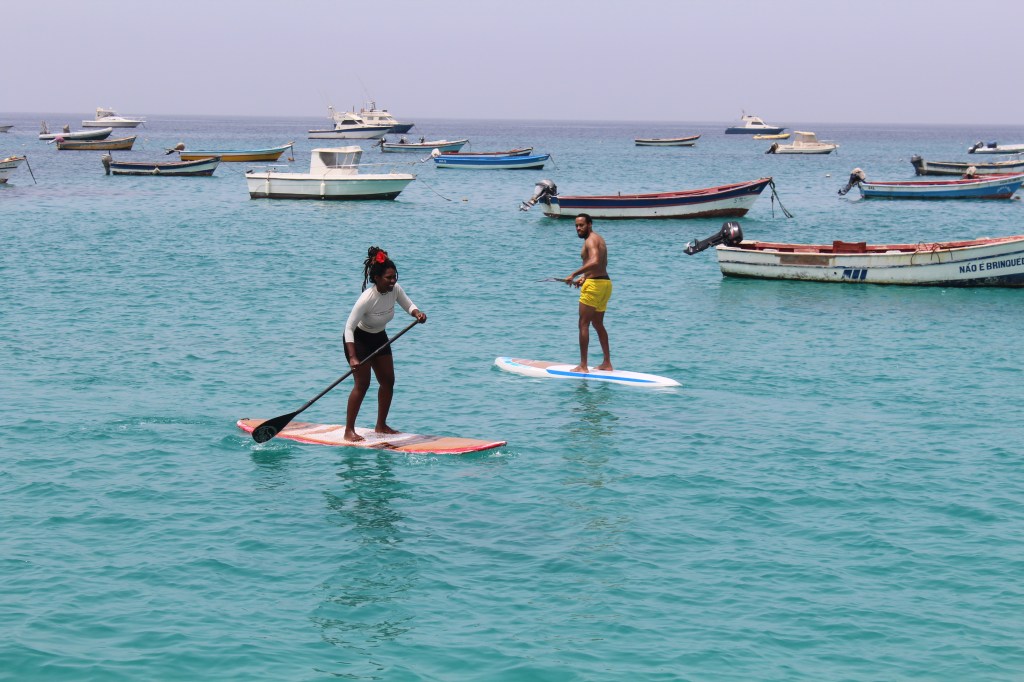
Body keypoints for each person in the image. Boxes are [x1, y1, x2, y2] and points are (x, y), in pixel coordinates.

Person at [343, 247, 427, 441]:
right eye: (388, 278)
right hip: (358, 340)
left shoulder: (395, 290)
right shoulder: (367, 298)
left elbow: (408, 305)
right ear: (377, 278)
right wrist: (353, 357)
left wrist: (417, 314)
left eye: (394, 277)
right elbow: (348, 327)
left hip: (379, 337)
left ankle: (381, 425)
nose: (393, 281)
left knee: (388, 381)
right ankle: (349, 431)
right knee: (362, 384)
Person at [564, 213, 612, 373]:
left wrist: (574, 274)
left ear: (590, 224)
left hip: (594, 286)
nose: (578, 228)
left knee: (583, 324)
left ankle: (583, 366)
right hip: (605, 283)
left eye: (581, 225)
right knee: (598, 324)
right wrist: (585, 277)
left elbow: (595, 261)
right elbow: (601, 264)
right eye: (576, 226)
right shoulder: (599, 239)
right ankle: (607, 363)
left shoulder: (590, 240)